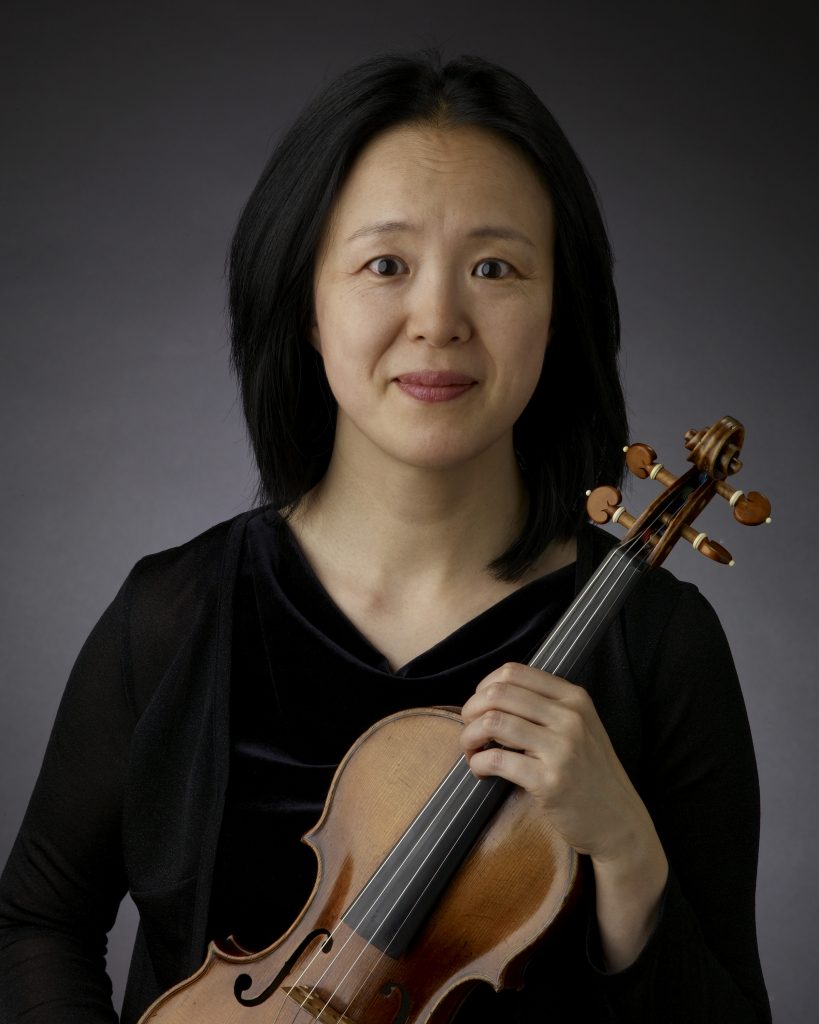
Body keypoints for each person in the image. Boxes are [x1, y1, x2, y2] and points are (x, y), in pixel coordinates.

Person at [0, 50, 771, 1023]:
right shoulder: (172, 616)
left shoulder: (659, 649)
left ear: (557, 309)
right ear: (308, 301)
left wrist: (628, 858)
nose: (438, 318)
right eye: (385, 263)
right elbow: (36, 921)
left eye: (494, 266)